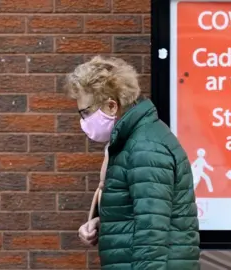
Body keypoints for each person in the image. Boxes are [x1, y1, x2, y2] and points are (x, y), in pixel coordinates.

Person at [68, 56, 200, 269]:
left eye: (86, 112)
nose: (83, 121)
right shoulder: (135, 141)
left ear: (112, 106)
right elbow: (142, 215)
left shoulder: (144, 148)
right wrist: (104, 224)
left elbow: (151, 232)